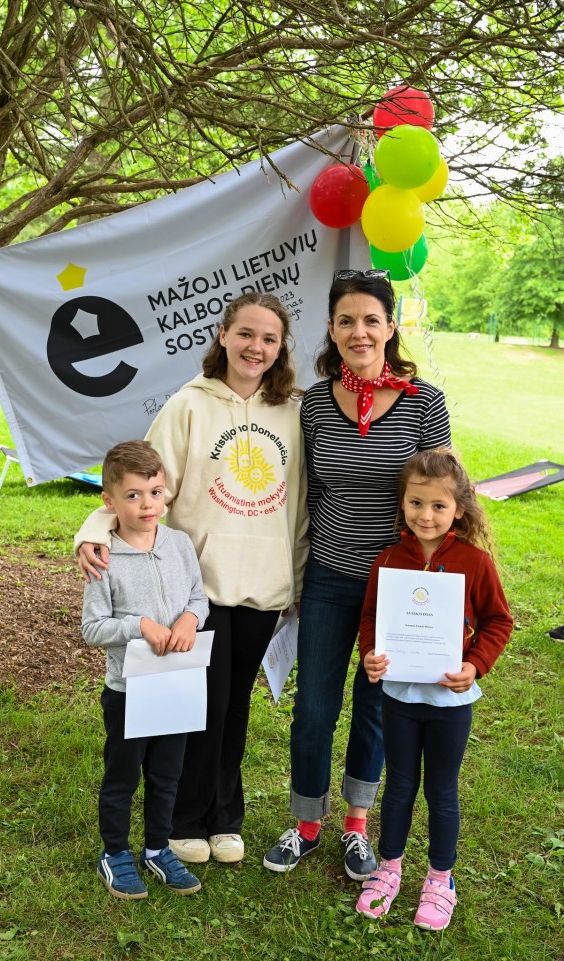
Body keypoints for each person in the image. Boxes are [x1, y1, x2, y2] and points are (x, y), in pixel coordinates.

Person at [76, 292, 309, 865]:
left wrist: (297, 580)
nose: (256, 347)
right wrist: (92, 528)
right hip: (196, 588)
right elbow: (141, 483)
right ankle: (184, 819)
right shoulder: (188, 405)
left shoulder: (293, 412)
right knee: (201, 705)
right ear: (223, 335)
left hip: (265, 584)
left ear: (281, 348)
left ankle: (226, 818)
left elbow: (301, 503)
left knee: (236, 707)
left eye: (269, 338)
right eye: (245, 333)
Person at [264, 268, 451, 879]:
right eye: (346, 320)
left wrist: (443, 584)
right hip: (329, 575)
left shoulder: (425, 403)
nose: (359, 331)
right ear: (331, 328)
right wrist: (293, 572)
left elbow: (444, 495)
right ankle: (305, 824)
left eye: (371, 320)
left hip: (396, 586)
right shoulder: (315, 404)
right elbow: (304, 492)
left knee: (375, 706)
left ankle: (355, 826)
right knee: (314, 708)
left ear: (391, 327)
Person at [355, 447, 513, 930]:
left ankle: (441, 879)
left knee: (442, 790)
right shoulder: (389, 559)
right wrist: (370, 653)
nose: (426, 515)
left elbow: (499, 621)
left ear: (458, 509)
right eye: (416, 503)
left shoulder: (474, 562)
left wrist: (475, 665)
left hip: (450, 701)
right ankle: (389, 868)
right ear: (402, 503)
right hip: (399, 699)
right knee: (400, 785)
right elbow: (371, 617)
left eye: (438, 506)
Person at [81, 440, 209, 899]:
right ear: (109, 501)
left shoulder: (179, 545)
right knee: (123, 775)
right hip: (128, 689)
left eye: (155, 492)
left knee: (167, 774)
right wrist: (140, 626)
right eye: (133, 495)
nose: (147, 504)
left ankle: (157, 848)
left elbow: (198, 597)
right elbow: (92, 628)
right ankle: (114, 852)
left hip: (176, 684)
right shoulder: (102, 557)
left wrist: (191, 618)